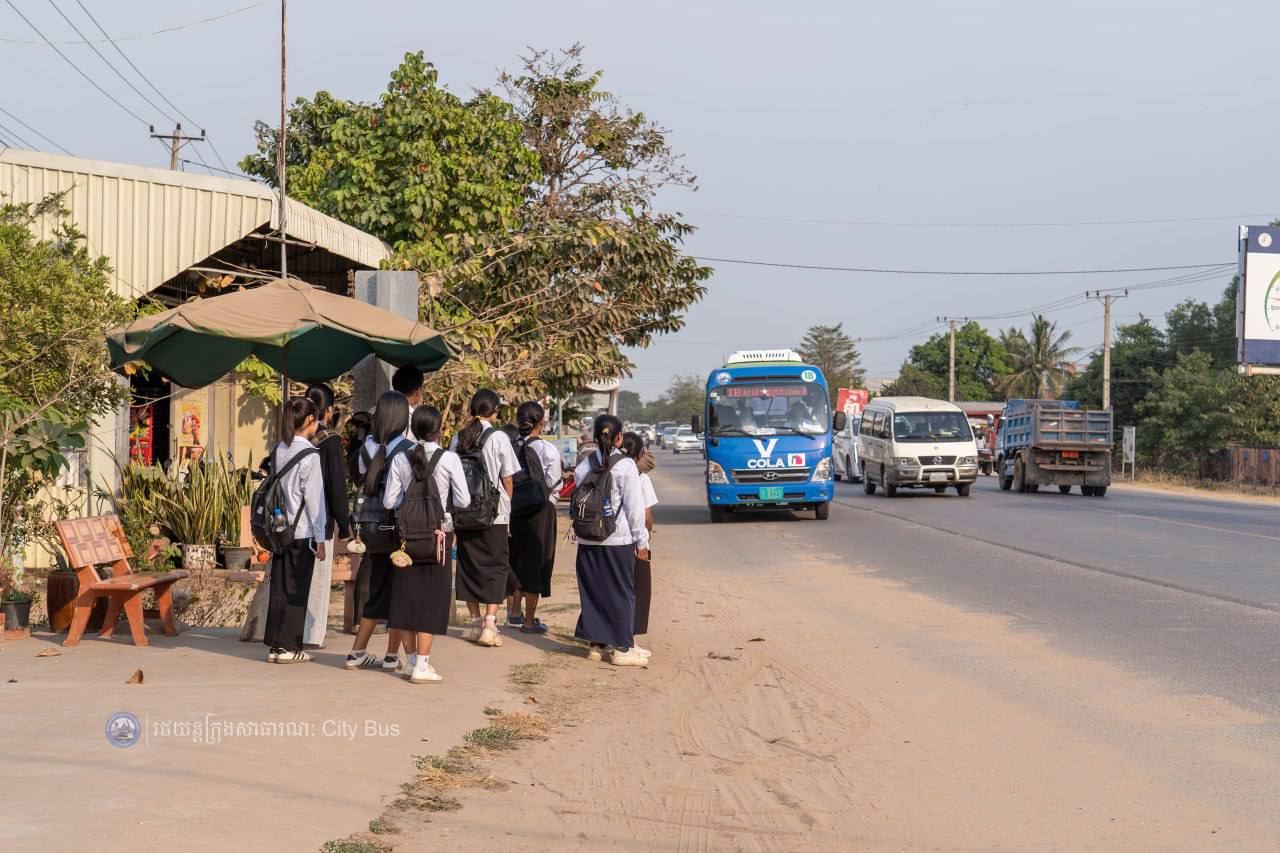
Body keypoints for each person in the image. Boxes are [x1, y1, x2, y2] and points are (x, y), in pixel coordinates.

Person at [383, 405, 470, 684]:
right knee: (431, 600)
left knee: (406, 599)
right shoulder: (449, 459)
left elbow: (389, 501)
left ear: (413, 429)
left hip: (406, 540)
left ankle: (410, 661)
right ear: (439, 429)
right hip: (438, 539)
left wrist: (410, 505)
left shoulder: (401, 458)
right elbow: (463, 500)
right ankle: (423, 663)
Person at [573, 415, 651, 667]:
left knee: (594, 592)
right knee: (621, 593)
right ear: (619, 437)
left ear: (596, 437)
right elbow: (634, 508)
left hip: (587, 538)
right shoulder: (625, 465)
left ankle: (596, 645)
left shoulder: (585, 464)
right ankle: (623, 649)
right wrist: (642, 542)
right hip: (617, 539)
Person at [346, 392, 413, 671]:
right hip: (397, 531)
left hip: (369, 529)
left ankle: (360, 652)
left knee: (377, 591)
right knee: (399, 592)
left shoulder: (366, 448)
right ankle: (393, 655)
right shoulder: (408, 450)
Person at [451, 389, 520, 647]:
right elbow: (508, 478)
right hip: (494, 513)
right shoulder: (499, 437)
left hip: (464, 511)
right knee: (496, 565)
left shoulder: (458, 437)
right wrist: (506, 505)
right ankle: (490, 625)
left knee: (468, 565)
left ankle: (474, 622)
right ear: (494, 410)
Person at [264, 397, 327, 664]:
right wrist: (321, 537)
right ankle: (289, 647)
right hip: (301, 532)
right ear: (310, 420)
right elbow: (315, 499)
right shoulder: (310, 455)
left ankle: (276, 645)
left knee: (279, 586)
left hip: (279, 528)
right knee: (297, 589)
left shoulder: (280, 449)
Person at [507, 401, 562, 633]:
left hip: (514, 510)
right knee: (536, 563)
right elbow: (554, 484)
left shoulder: (510, 447)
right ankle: (529, 621)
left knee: (516, 558)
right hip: (541, 512)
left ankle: (514, 612)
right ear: (542, 422)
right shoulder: (548, 450)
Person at [303, 383, 351, 649]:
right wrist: (344, 525)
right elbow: (337, 487)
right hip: (320, 520)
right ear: (329, 410)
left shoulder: (291, 438)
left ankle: (290, 630)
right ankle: (311, 634)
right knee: (318, 579)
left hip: (292, 520)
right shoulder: (330, 440)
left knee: (296, 578)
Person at [621, 432, 658, 641]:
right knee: (638, 592)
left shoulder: (605, 471)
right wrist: (645, 538)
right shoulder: (641, 478)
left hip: (606, 541)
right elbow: (646, 516)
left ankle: (598, 643)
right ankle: (628, 641)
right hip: (634, 542)